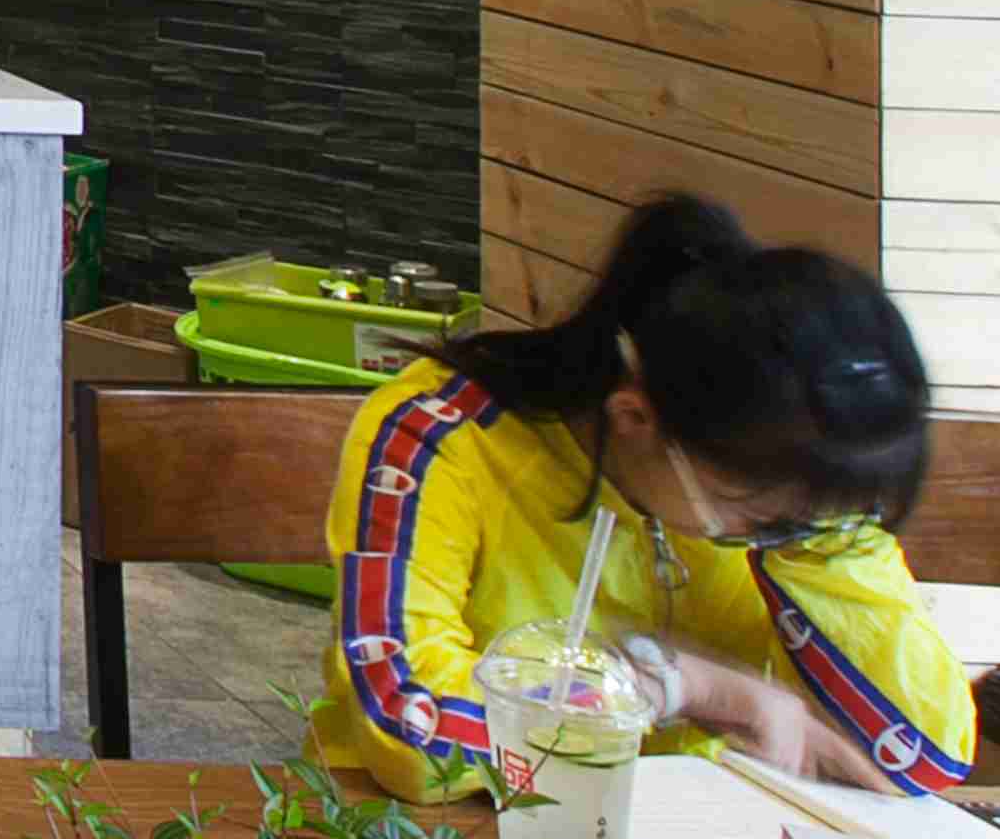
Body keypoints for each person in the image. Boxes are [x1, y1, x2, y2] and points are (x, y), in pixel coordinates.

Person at [310, 192, 972, 802]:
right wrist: (685, 688)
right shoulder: (438, 435)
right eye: (763, 521)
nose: (790, 535)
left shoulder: (795, 489)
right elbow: (408, 721)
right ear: (635, 418)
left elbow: (927, 750)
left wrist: (815, 542)